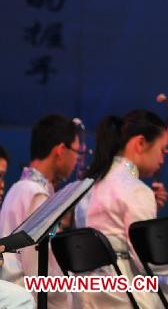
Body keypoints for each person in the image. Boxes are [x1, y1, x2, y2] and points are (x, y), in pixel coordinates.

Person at [75, 109, 168, 308]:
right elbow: (148, 259)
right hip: (124, 296)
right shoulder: (137, 191)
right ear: (140, 143)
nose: (162, 159)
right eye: (162, 150)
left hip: (84, 295)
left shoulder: (87, 187)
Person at [0, 115, 80, 309]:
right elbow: (37, 268)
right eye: (76, 152)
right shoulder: (34, 193)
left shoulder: (23, 188)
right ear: (60, 150)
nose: (77, 159)